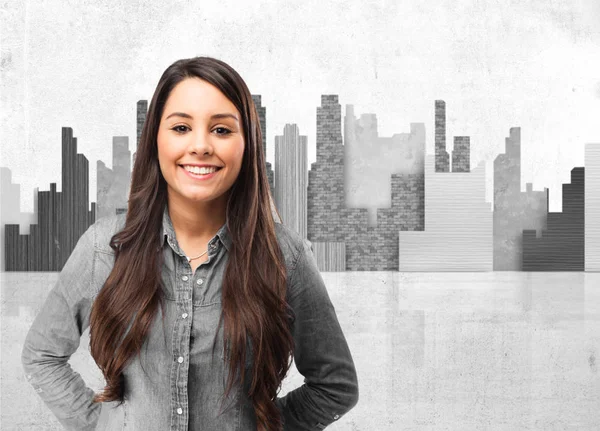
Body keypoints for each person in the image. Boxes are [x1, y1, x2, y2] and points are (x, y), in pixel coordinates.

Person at [21, 56, 359, 431]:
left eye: (221, 130)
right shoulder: (105, 246)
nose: (200, 146)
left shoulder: (285, 256)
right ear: (155, 140)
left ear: (247, 144)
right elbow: (42, 355)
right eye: (181, 127)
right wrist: (98, 424)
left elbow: (335, 387)